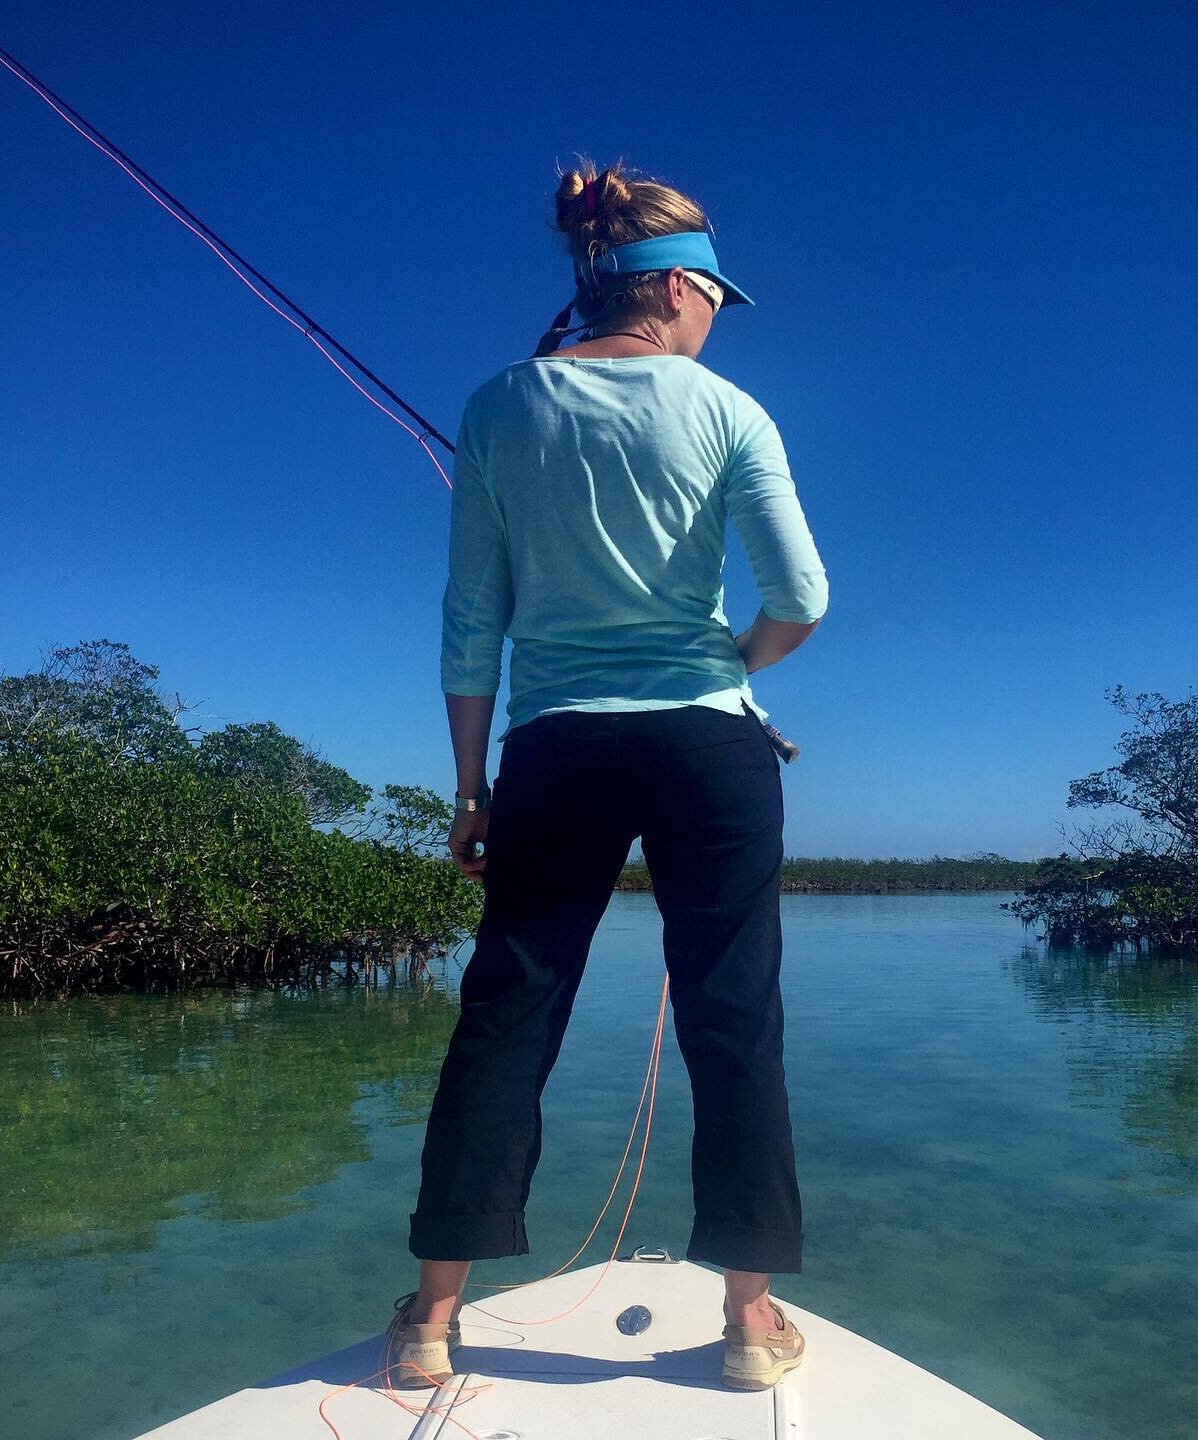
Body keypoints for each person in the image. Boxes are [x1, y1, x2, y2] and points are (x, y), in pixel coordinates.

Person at [387, 158, 828, 1393]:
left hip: (556, 745)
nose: (712, 322)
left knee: (508, 1009)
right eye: (713, 300)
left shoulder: (495, 408)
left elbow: (471, 622)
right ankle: (749, 1327)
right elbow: (803, 599)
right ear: (677, 285)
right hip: (711, 745)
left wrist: (470, 789)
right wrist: (732, 668)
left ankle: (431, 1321)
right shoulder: (731, 411)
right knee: (734, 1015)